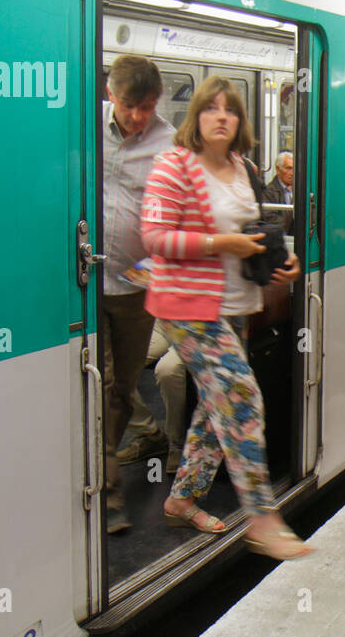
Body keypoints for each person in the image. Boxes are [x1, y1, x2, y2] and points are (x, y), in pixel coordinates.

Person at [141, 75, 310, 560]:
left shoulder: (241, 166)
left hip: (234, 304)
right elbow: (155, 238)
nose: (222, 117)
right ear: (196, 116)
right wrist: (220, 245)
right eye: (212, 109)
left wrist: (280, 261)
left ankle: (182, 497)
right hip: (188, 308)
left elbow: (252, 230)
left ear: (240, 122)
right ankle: (262, 517)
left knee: (213, 409)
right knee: (242, 400)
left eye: (230, 110)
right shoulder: (173, 166)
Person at [101, 55, 174, 534]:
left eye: (147, 107)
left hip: (132, 288)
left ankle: (102, 477)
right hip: (81, 283)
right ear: (111, 95)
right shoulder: (79, 127)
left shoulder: (169, 144)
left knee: (121, 388)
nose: (139, 117)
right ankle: (106, 492)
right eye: (131, 106)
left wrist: (152, 266)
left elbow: (176, 219)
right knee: (94, 384)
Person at [117, 322, 190, 473]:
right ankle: (149, 435)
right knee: (111, 366)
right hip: (162, 320)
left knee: (168, 371)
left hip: (195, 325)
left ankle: (177, 443)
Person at [261, 150, 295, 232]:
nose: (292, 173)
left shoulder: (298, 189)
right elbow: (270, 219)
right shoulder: (269, 192)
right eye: (288, 168)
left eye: (294, 168)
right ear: (278, 169)